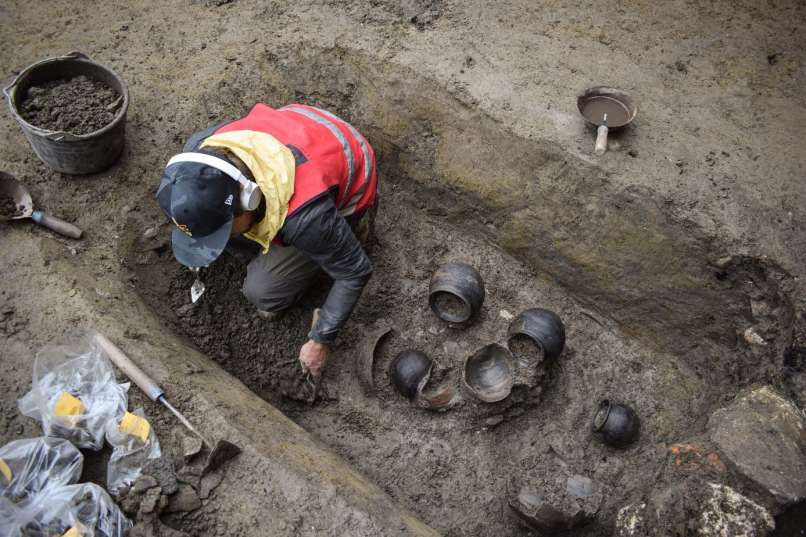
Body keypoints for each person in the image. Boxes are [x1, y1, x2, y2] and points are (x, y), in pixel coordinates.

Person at [156, 103, 378, 378]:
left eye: (225, 228)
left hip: (350, 173)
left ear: (251, 199)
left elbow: (355, 272)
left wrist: (321, 340)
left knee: (262, 292)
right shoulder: (200, 154)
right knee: (231, 238)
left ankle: (352, 230)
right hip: (300, 127)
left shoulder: (306, 218)